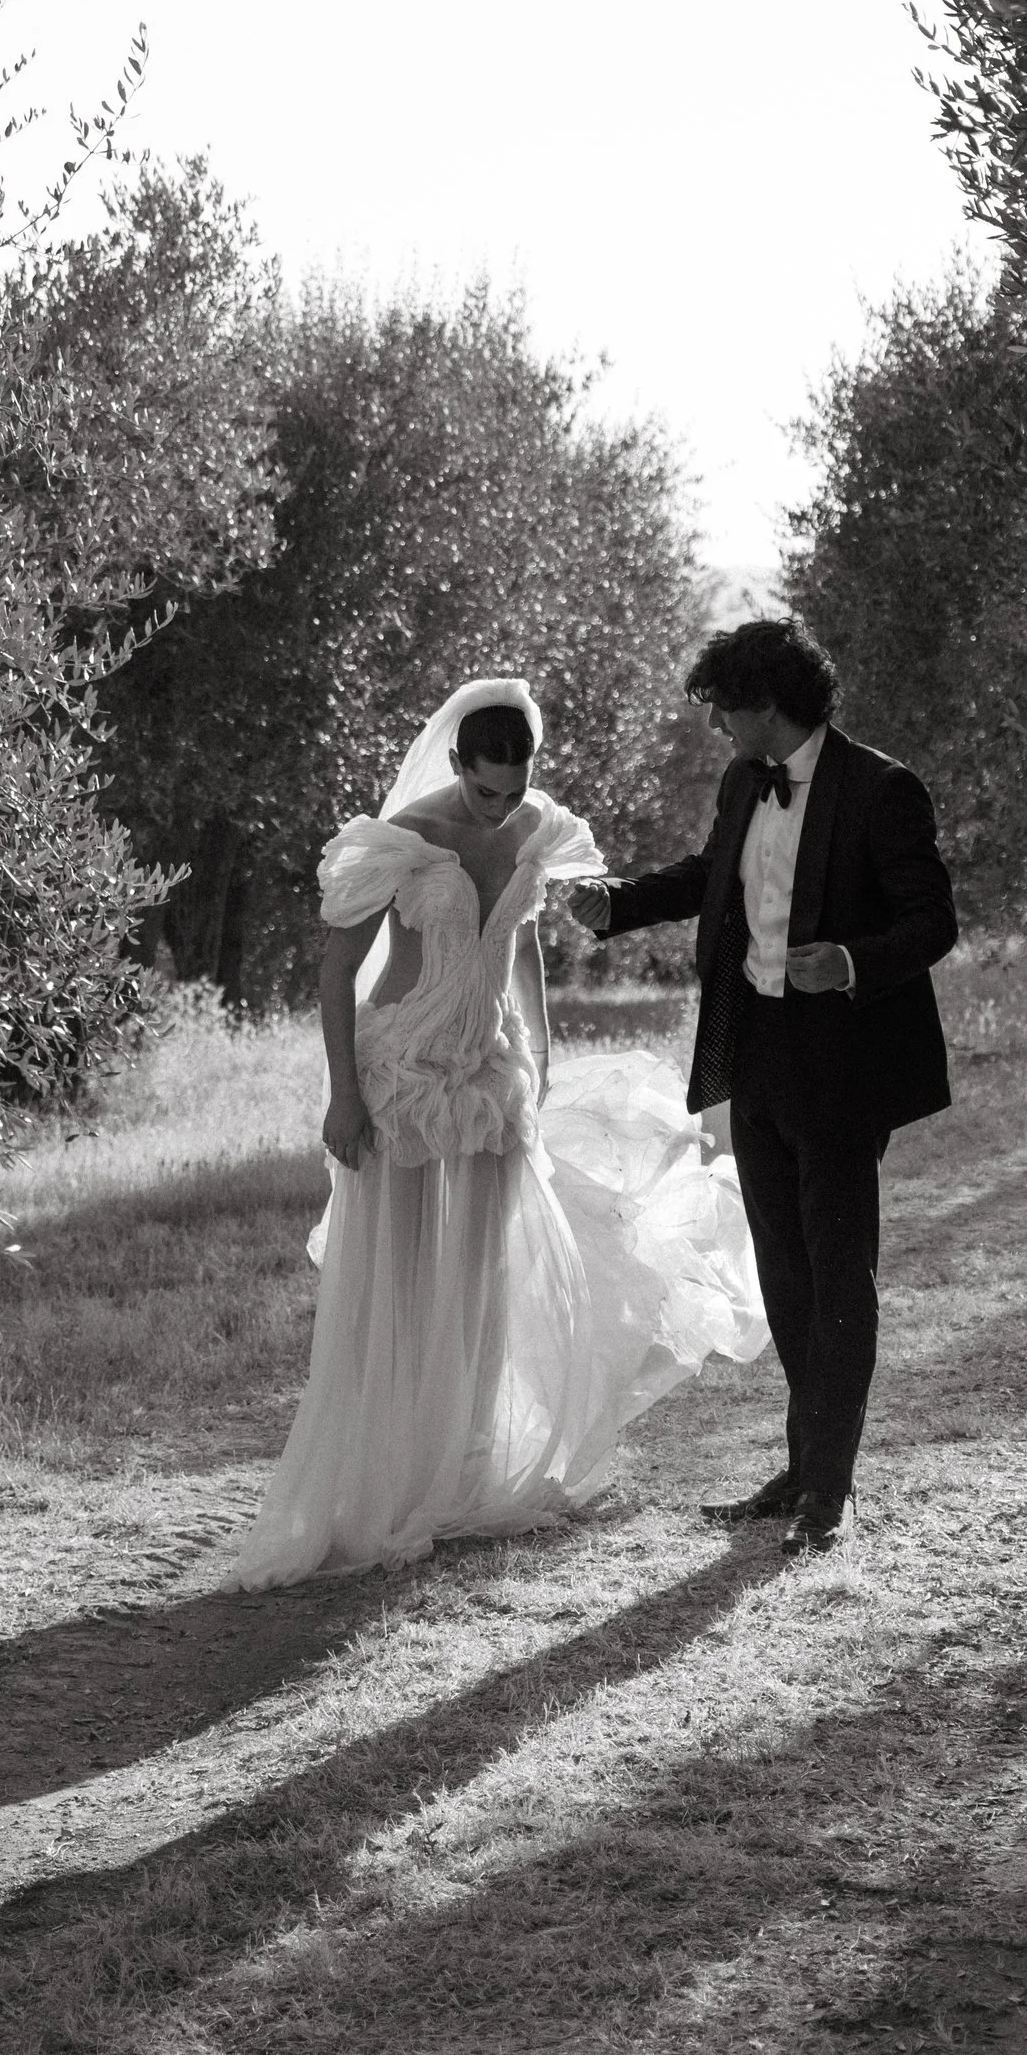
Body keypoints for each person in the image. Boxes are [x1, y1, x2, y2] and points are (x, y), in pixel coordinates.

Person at [223, 675, 769, 1587]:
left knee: (479, 1280)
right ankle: (383, 1481)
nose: (501, 804)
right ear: (455, 764)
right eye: (486, 789)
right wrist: (343, 1094)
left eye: (514, 790)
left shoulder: (534, 830)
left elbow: (518, 946)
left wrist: (538, 1056)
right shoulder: (406, 840)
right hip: (398, 1074)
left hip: (487, 1076)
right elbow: (336, 973)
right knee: (395, 1282)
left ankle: (460, 1471)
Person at [577, 617, 955, 1558]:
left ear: (769, 705)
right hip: (759, 1050)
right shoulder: (745, 779)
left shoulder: (882, 789)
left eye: (723, 708)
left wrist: (854, 963)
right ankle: (802, 1466)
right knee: (784, 1273)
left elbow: (933, 922)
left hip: (846, 1060)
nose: (716, 726)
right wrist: (619, 903)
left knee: (838, 1273)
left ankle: (831, 1488)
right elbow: (715, 878)